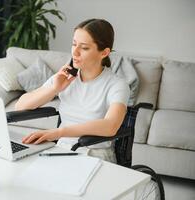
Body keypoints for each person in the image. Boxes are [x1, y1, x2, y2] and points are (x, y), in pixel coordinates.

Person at [15, 18, 130, 163]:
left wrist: (59, 132)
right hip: (61, 149)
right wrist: (54, 88)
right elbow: (20, 106)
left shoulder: (117, 85)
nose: (75, 52)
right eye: (74, 44)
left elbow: (110, 126)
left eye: (84, 47)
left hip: (94, 154)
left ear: (104, 53)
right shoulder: (65, 77)